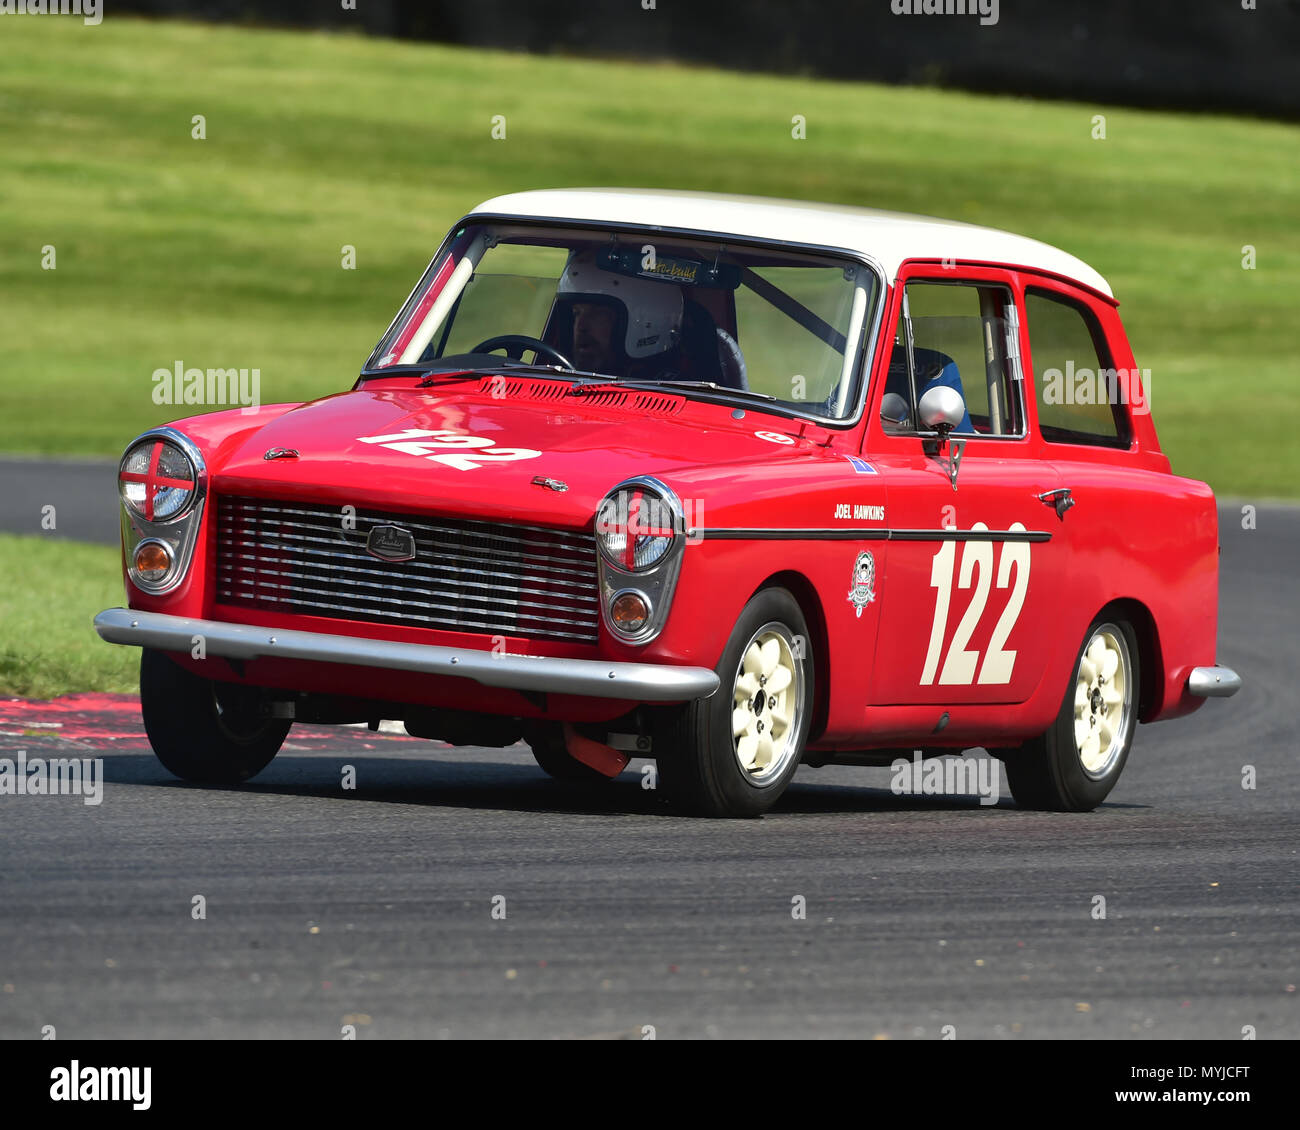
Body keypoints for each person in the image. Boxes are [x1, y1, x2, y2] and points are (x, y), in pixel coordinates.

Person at [554, 251, 684, 378]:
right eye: (576, 313)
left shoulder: (674, 391)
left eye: (597, 313)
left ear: (644, 322)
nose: (581, 326)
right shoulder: (556, 375)